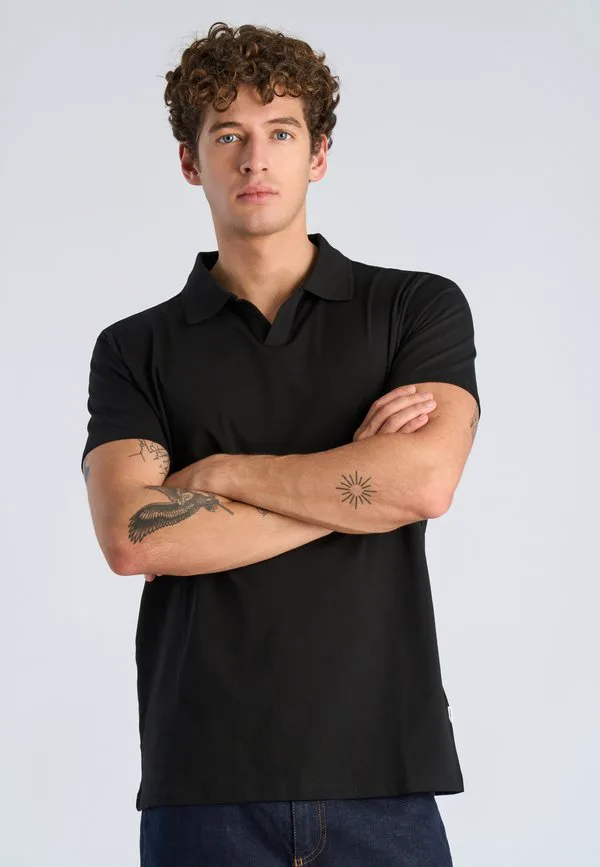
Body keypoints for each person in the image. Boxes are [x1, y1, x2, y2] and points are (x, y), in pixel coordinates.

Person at [81, 20, 481, 867]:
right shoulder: (134, 348)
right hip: (204, 783)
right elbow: (132, 536)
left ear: (319, 154)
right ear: (190, 161)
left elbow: (423, 484)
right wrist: (358, 489)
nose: (255, 159)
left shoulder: (414, 309)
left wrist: (222, 473)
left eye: (282, 133)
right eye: (228, 135)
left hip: (383, 776)